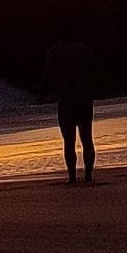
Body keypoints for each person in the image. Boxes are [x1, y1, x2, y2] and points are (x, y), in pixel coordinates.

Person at [45, 37, 96, 183]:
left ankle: (72, 176)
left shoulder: (54, 51)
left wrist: (41, 94)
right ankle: (88, 175)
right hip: (84, 98)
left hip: (66, 100)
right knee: (87, 138)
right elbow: (93, 71)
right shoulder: (83, 49)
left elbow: (48, 74)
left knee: (69, 140)